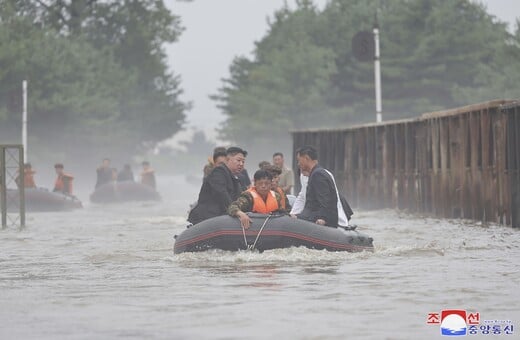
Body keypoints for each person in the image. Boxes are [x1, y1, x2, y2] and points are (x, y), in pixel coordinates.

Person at [188, 146, 247, 225]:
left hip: (222, 218)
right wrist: (236, 211)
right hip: (206, 218)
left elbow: (242, 197)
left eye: (243, 162)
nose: (241, 164)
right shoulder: (219, 172)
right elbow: (221, 193)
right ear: (228, 160)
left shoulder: (237, 178)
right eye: (238, 160)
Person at [292, 145, 338, 227]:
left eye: (299, 160)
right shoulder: (315, 173)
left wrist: (323, 218)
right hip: (310, 216)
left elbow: (325, 200)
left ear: (306, 158)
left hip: (319, 220)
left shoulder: (318, 175)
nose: (298, 164)